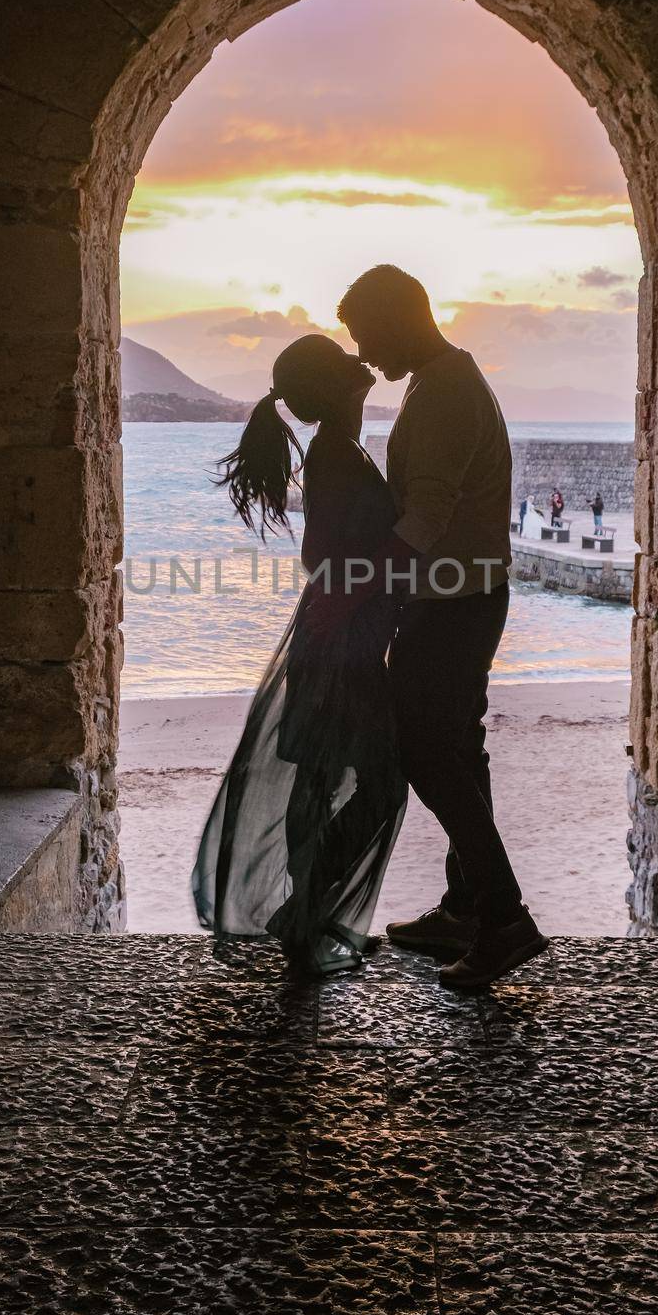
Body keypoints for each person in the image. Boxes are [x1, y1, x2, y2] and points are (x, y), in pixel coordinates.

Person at [318, 263, 547, 989]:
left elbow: (427, 514)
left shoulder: (444, 390)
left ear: (400, 319)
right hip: (463, 596)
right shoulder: (437, 380)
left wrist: (361, 589)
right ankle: (465, 906)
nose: (362, 356)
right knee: (460, 750)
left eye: (366, 337)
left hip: (451, 604)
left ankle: (505, 918)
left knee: (427, 755)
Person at [192, 335, 407, 977]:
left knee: (326, 779)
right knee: (366, 780)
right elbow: (322, 557)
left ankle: (305, 913)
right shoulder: (334, 455)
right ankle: (303, 914)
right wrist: (393, 571)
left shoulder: (335, 451)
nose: (363, 364)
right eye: (348, 363)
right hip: (340, 640)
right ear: (339, 388)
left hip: (343, 634)